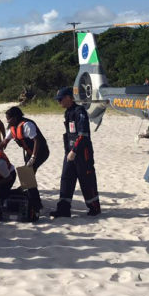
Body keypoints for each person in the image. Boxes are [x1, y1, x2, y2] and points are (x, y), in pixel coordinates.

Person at [51, 87, 101, 218]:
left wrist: (74, 151)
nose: (59, 102)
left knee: (86, 180)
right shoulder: (68, 112)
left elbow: (83, 135)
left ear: (68, 97)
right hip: (69, 152)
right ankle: (63, 209)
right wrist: (69, 151)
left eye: (60, 99)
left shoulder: (80, 112)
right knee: (66, 179)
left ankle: (94, 207)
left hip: (82, 153)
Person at [0, 106, 47, 210]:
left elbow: (37, 140)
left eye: (9, 118)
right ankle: (29, 195)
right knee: (27, 176)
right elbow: (4, 142)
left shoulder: (27, 125)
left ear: (16, 117)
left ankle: (36, 204)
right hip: (29, 153)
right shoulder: (13, 127)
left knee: (27, 175)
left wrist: (33, 157)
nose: (7, 121)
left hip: (41, 152)